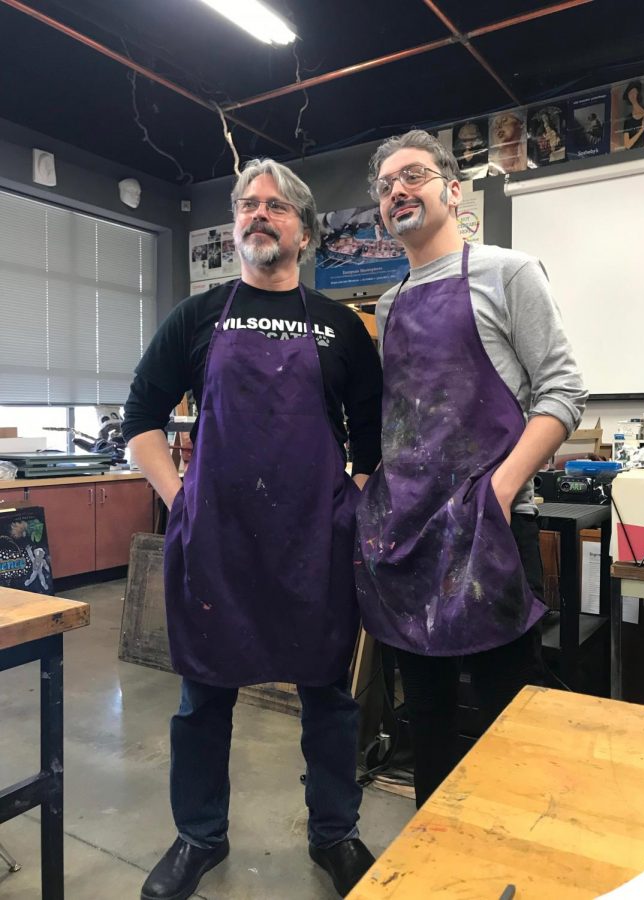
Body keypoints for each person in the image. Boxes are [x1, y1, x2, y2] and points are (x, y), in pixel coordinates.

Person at [123, 158, 382, 900]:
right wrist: (181, 499)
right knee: (202, 699)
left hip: (312, 544)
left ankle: (334, 833)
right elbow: (139, 420)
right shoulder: (198, 316)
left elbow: (371, 437)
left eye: (274, 205)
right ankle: (197, 836)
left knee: (327, 698)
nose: (256, 214)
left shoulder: (338, 326)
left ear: (302, 228)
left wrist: (346, 504)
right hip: (218, 542)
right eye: (245, 204)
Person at [354, 130, 587, 808]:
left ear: (452, 191)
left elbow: (563, 390)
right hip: (409, 536)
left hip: (487, 531)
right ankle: (433, 858)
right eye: (386, 184)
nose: (399, 189)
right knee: (424, 720)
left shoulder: (506, 272)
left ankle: (509, 864)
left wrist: (501, 488)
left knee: (506, 718)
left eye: (414, 175)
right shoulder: (390, 305)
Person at [622, 80, 644, 150]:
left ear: (638, 94)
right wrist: (641, 129)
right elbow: (627, 145)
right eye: (630, 93)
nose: (632, 95)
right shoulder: (628, 119)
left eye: (634, 92)